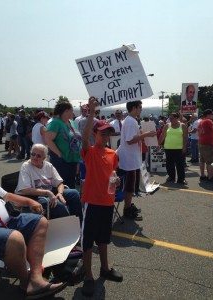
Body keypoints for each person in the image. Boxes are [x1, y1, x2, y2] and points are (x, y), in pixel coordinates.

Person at [81, 97, 123, 297]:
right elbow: (84, 135)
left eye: (108, 133)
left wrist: (117, 182)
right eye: (103, 132)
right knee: (88, 240)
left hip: (107, 201)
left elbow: (113, 175)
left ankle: (104, 268)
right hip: (91, 202)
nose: (106, 135)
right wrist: (92, 112)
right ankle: (88, 275)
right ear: (95, 133)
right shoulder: (88, 151)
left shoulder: (112, 153)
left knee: (104, 238)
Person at [0, 184, 65, 298]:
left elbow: (7, 196)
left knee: (40, 221)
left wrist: (29, 202)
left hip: (8, 221)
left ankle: (36, 278)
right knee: (15, 238)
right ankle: (26, 282)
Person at [15, 144, 82, 223]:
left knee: (74, 193)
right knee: (57, 205)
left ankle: (78, 223)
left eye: (38, 156)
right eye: (33, 154)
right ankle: (68, 227)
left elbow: (60, 183)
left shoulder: (48, 166)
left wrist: (60, 193)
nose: (35, 157)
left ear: (44, 158)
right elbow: (25, 190)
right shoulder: (26, 166)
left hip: (50, 194)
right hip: (33, 197)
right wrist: (48, 192)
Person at [117, 100, 157, 220]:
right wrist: (146, 135)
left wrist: (142, 134)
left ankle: (128, 206)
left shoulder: (130, 120)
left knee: (131, 186)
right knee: (130, 186)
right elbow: (130, 140)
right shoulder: (130, 121)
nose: (141, 109)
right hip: (129, 160)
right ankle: (127, 209)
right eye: (139, 107)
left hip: (131, 158)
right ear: (134, 108)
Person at [45, 101, 82, 188]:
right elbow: (48, 140)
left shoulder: (71, 122)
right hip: (62, 162)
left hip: (73, 160)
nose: (72, 112)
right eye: (71, 110)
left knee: (71, 185)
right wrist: (59, 154)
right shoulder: (55, 123)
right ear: (65, 111)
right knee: (63, 186)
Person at [159, 112, 188, 184]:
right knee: (169, 164)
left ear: (177, 118)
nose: (170, 119)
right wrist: (158, 144)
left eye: (172, 118)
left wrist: (184, 147)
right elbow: (163, 135)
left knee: (180, 164)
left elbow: (185, 137)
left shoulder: (183, 125)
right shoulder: (167, 125)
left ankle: (181, 179)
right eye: (169, 118)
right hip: (168, 148)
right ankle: (171, 177)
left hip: (179, 148)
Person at [198, 109, 213, 182]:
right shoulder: (208, 121)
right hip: (207, 144)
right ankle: (210, 177)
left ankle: (202, 175)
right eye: (211, 114)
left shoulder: (201, 121)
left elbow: (199, 133)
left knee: (202, 160)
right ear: (208, 115)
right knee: (211, 161)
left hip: (202, 143)